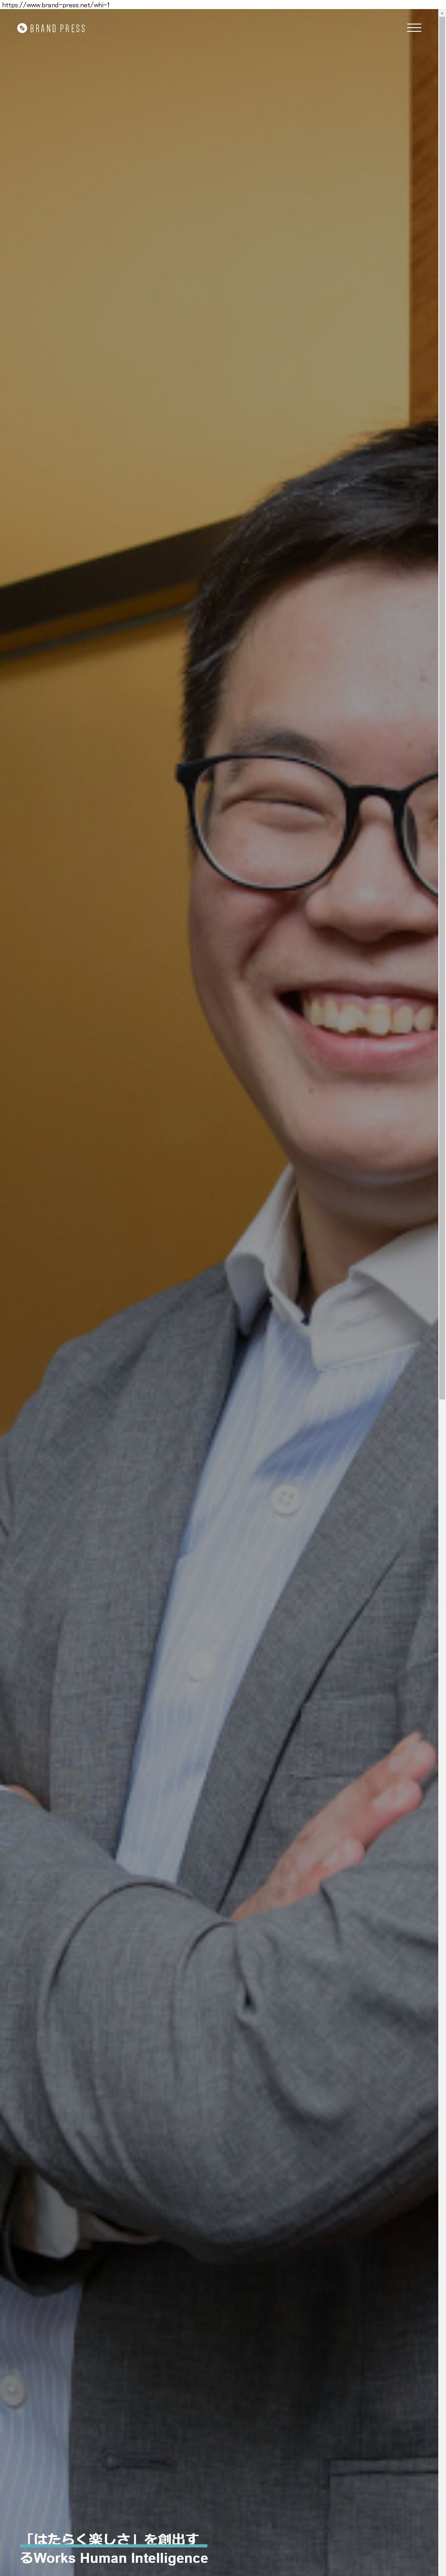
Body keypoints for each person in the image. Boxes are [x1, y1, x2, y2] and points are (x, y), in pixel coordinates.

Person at [0, 422, 438, 2576]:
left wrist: (161, 2067)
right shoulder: (89, 1401)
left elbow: (263, 2106)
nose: (366, 890)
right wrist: (112, 2096)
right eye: (283, 795)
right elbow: (182, 2089)